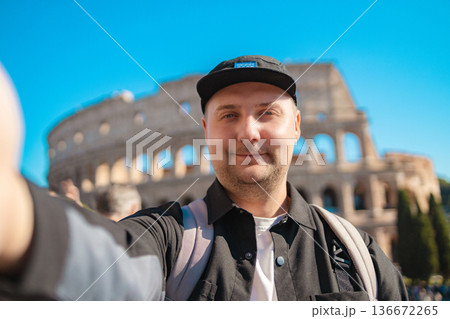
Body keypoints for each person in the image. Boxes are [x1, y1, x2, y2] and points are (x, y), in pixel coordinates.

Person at [0, 56, 408, 300]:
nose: (248, 132)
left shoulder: (358, 254)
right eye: (229, 115)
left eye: (267, 113)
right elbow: (113, 263)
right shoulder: (170, 239)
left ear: (298, 127)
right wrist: (18, 219)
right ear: (206, 130)